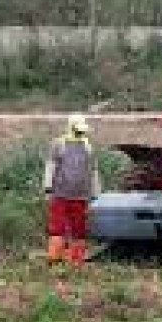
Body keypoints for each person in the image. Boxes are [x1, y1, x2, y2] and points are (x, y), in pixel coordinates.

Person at [44, 114, 101, 266]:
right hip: (60, 193)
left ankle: (76, 260)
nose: (81, 133)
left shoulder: (88, 146)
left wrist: (96, 192)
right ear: (71, 127)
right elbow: (51, 166)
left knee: (79, 229)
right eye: (78, 130)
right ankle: (55, 259)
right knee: (57, 227)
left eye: (82, 130)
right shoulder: (58, 144)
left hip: (81, 195)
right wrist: (48, 187)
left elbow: (94, 170)